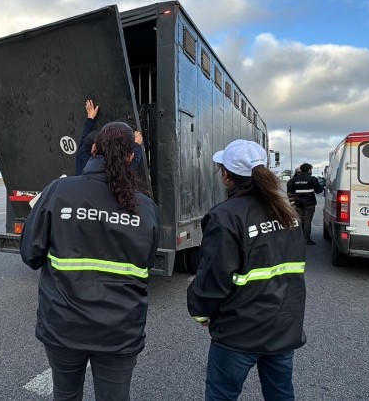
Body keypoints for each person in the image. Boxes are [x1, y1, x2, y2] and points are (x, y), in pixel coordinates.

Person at [20, 122, 160, 401]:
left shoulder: (59, 191)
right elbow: (145, 263)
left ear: (93, 150)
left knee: (66, 395)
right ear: (132, 157)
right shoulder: (145, 208)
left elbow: (30, 253)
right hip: (118, 331)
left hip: (63, 326)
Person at [187, 139, 306, 401]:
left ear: (227, 175)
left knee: (221, 395)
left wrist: (200, 312)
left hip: (239, 332)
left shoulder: (225, 216)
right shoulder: (288, 214)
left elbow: (214, 278)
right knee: (281, 395)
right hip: (283, 326)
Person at [75, 98, 144, 175]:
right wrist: (137, 144)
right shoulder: (115, 170)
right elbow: (132, 162)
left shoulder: (81, 157)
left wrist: (90, 118)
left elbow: (84, 137)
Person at [287, 163, 323, 245]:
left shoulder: (292, 180)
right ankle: (306, 239)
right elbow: (319, 190)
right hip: (309, 204)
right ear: (309, 170)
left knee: (299, 221)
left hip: (297, 205)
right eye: (311, 169)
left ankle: (297, 238)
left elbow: (289, 193)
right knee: (307, 221)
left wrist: (293, 204)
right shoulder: (312, 179)